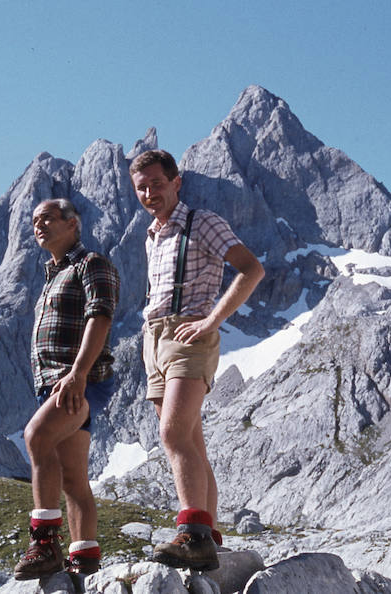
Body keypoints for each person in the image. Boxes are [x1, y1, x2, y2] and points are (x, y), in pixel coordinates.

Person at [129, 149, 264, 571]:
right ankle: (210, 536)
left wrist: (211, 320)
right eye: (141, 187)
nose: (150, 193)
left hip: (190, 334)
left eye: (156, 183)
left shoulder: (201, 221)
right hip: (154, 340)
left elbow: (250, 269)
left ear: (176, 182)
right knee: (190, 441)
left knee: (172, 434)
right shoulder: (152, 235)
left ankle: (193, 534)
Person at [13, 199, 120, 581]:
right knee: (74, 477)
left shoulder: (91, 264)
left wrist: (78, 372)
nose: (39, 225)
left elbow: (101, 315)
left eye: (47, 219)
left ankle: (44, 544)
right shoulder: (52, 274)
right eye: (34, 221)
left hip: (81, 379)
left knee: (36, 436)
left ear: (72, 223)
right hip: (56, 382)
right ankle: (86, 560)